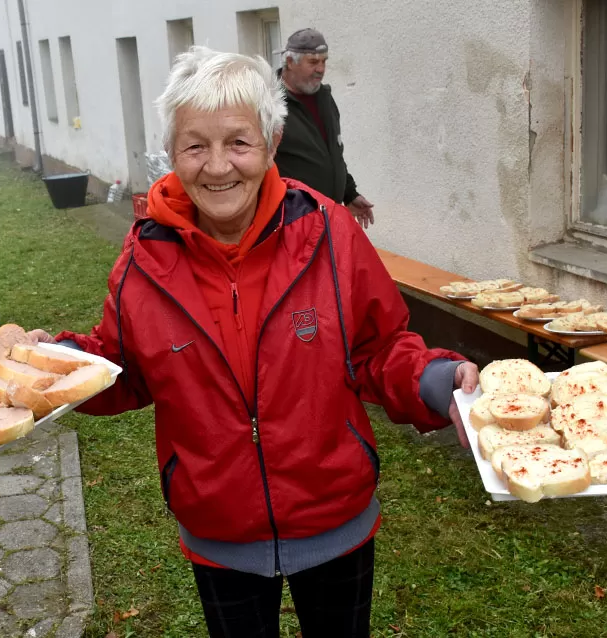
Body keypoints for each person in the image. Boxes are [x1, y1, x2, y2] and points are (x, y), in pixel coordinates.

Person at [27, 47, 477, 637]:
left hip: (333, 515)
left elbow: (378, 348)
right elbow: (123, 369)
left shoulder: (329, 233)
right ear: (172, 151)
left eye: (238, 142)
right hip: (220, 528)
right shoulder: (144, 260)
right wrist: (52, 365)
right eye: (195, 146)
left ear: (272, 142)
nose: (217, 167)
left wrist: (437, 380)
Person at [275, 28, 375, 229]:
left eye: (324, 61)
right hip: (292, 222)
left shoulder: (324, 98)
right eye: (313, 62)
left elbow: (333, 153)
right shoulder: (270, 103)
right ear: (290, 62)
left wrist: (349, 193)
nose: (321, 69)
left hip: (328, 217)